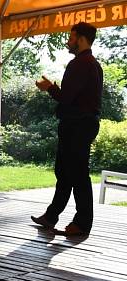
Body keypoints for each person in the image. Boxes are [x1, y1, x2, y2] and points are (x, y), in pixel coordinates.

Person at [32, 22, 104, 237]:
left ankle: (82, 223)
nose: (67, 41)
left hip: (78, 126)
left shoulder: (80, 64)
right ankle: (51, 216)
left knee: (78, 175)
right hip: (81, 124)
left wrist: (49, 88)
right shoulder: (91, 64)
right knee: (64, 173)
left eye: (71, 37)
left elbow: (67, 98)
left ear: (81, 39)